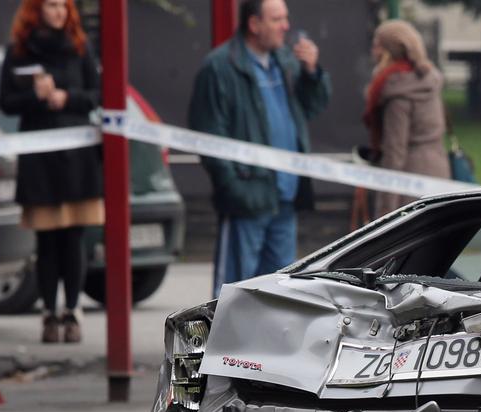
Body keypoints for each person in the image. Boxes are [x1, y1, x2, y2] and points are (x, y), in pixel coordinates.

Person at [190, 0, 331, 295]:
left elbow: (312, 106)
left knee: (279, 295)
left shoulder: (286, 63)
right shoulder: (219, 67)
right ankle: (225, 344)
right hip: (247, 199)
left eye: (286, 18)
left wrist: (313, 72)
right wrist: (233, 189)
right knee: (234, 294)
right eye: (277, 19)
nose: (286, 26)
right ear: (254, 25)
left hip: (285, 199)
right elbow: (208, 136)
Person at [0, 0, 103, 345]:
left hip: (76, 157)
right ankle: (48, 314)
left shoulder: (79, 46)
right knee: (46, 242)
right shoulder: (19, 50)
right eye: (51, 5)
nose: (58, 12)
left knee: (73, 239)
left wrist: (65, 97)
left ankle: (72, 311)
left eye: (63, 5)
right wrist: (35, 96)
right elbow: (5, 102)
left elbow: (95, 94)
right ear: (36, 9)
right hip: (39, 158)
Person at [362, 20, 448, 221]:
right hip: (439, 172)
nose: (372, 51)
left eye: (376, 45)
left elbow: (394, 152)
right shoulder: (426, 79)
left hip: (409, 184)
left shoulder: (397, 91)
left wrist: (384, 214)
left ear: (387, 53)